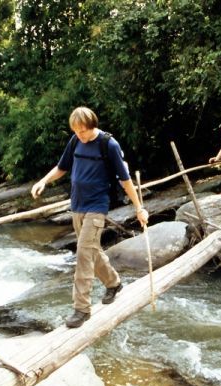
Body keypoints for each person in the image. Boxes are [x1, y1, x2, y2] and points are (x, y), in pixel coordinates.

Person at [31, 107, 149, 328]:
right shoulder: (75, 141)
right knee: (92, 251)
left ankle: (81, 309)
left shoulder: (108, 145)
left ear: (92, 125)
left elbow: (125, 180)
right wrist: (43, 181)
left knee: (83, 255)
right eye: (75, 131)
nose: (80, 135)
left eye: (83, 131)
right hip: (77, 205)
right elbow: (61, 167)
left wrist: (139, 207)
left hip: (97, 206)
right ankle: (113, 283)